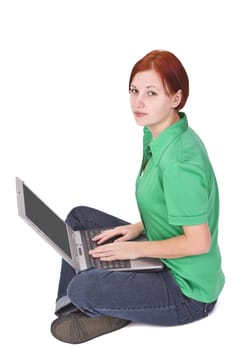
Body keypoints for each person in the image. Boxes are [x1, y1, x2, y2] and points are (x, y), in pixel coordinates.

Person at [50, 50, 225, 344]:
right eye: (134, 90)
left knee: (83, 287)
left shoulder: (179, 162)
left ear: (176, 99)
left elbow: (198, 242)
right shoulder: (157, 133)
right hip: (162, 251)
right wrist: (137, 229)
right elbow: (170, 203)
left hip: (187, 291)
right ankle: (76, 304)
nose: (138, 101)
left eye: (152, 93)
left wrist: (134, 251)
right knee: (79, 218)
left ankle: (92, 298)